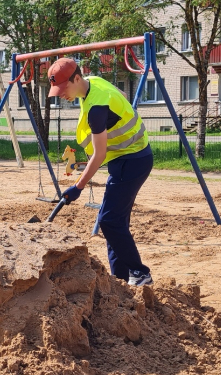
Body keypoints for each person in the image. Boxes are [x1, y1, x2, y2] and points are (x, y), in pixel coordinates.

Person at [47, 57, 153, 287]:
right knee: (113, 223)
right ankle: (120, 280)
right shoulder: (92, 83)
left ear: (77, 78)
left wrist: (78, 187)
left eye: (63, 88)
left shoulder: (97, 108)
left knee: (109, 221)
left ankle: (140, 272)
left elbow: (99, 154)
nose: (60, 94)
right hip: (127, 158)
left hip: (132, 160)